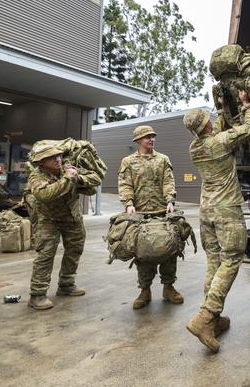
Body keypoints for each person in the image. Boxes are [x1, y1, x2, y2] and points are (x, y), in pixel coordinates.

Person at [183, 91, 250, 353]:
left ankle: (213, 322)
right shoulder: (220, 142)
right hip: (226, 211)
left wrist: (223, 106)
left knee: (213, 262)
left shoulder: (195, 148)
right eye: (209, 119)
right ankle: (205, 316)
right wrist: (246, 104)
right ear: (205, 124)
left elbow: (219, 133)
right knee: (231, 260)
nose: (213, 121)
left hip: (206, 212)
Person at [27, 143, 100, 310]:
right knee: (45, 254)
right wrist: (69, 178)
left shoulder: (67, 169)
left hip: (72, 217)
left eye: (58, 156)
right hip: (49, 219)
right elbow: (45, 194)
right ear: (41, 162)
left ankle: (66, 285)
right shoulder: (36, 176)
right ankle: (37, 295)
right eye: (52, 157)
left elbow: (95, 178)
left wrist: (78, 177)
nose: (58, 159)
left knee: (75, 249)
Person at [117, 124, 183, 308]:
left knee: (170, 249)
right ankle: (144, 290)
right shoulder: (128, 162)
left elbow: (168, 181)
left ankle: (169, 287)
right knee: (143, 253)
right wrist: (128, 204)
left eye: (153, 136)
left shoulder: (163, 159)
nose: (151, 139)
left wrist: (170, 200)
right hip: (140, 214)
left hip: (162, 213)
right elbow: (125, 184)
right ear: (138, 140)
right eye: (147, 137)